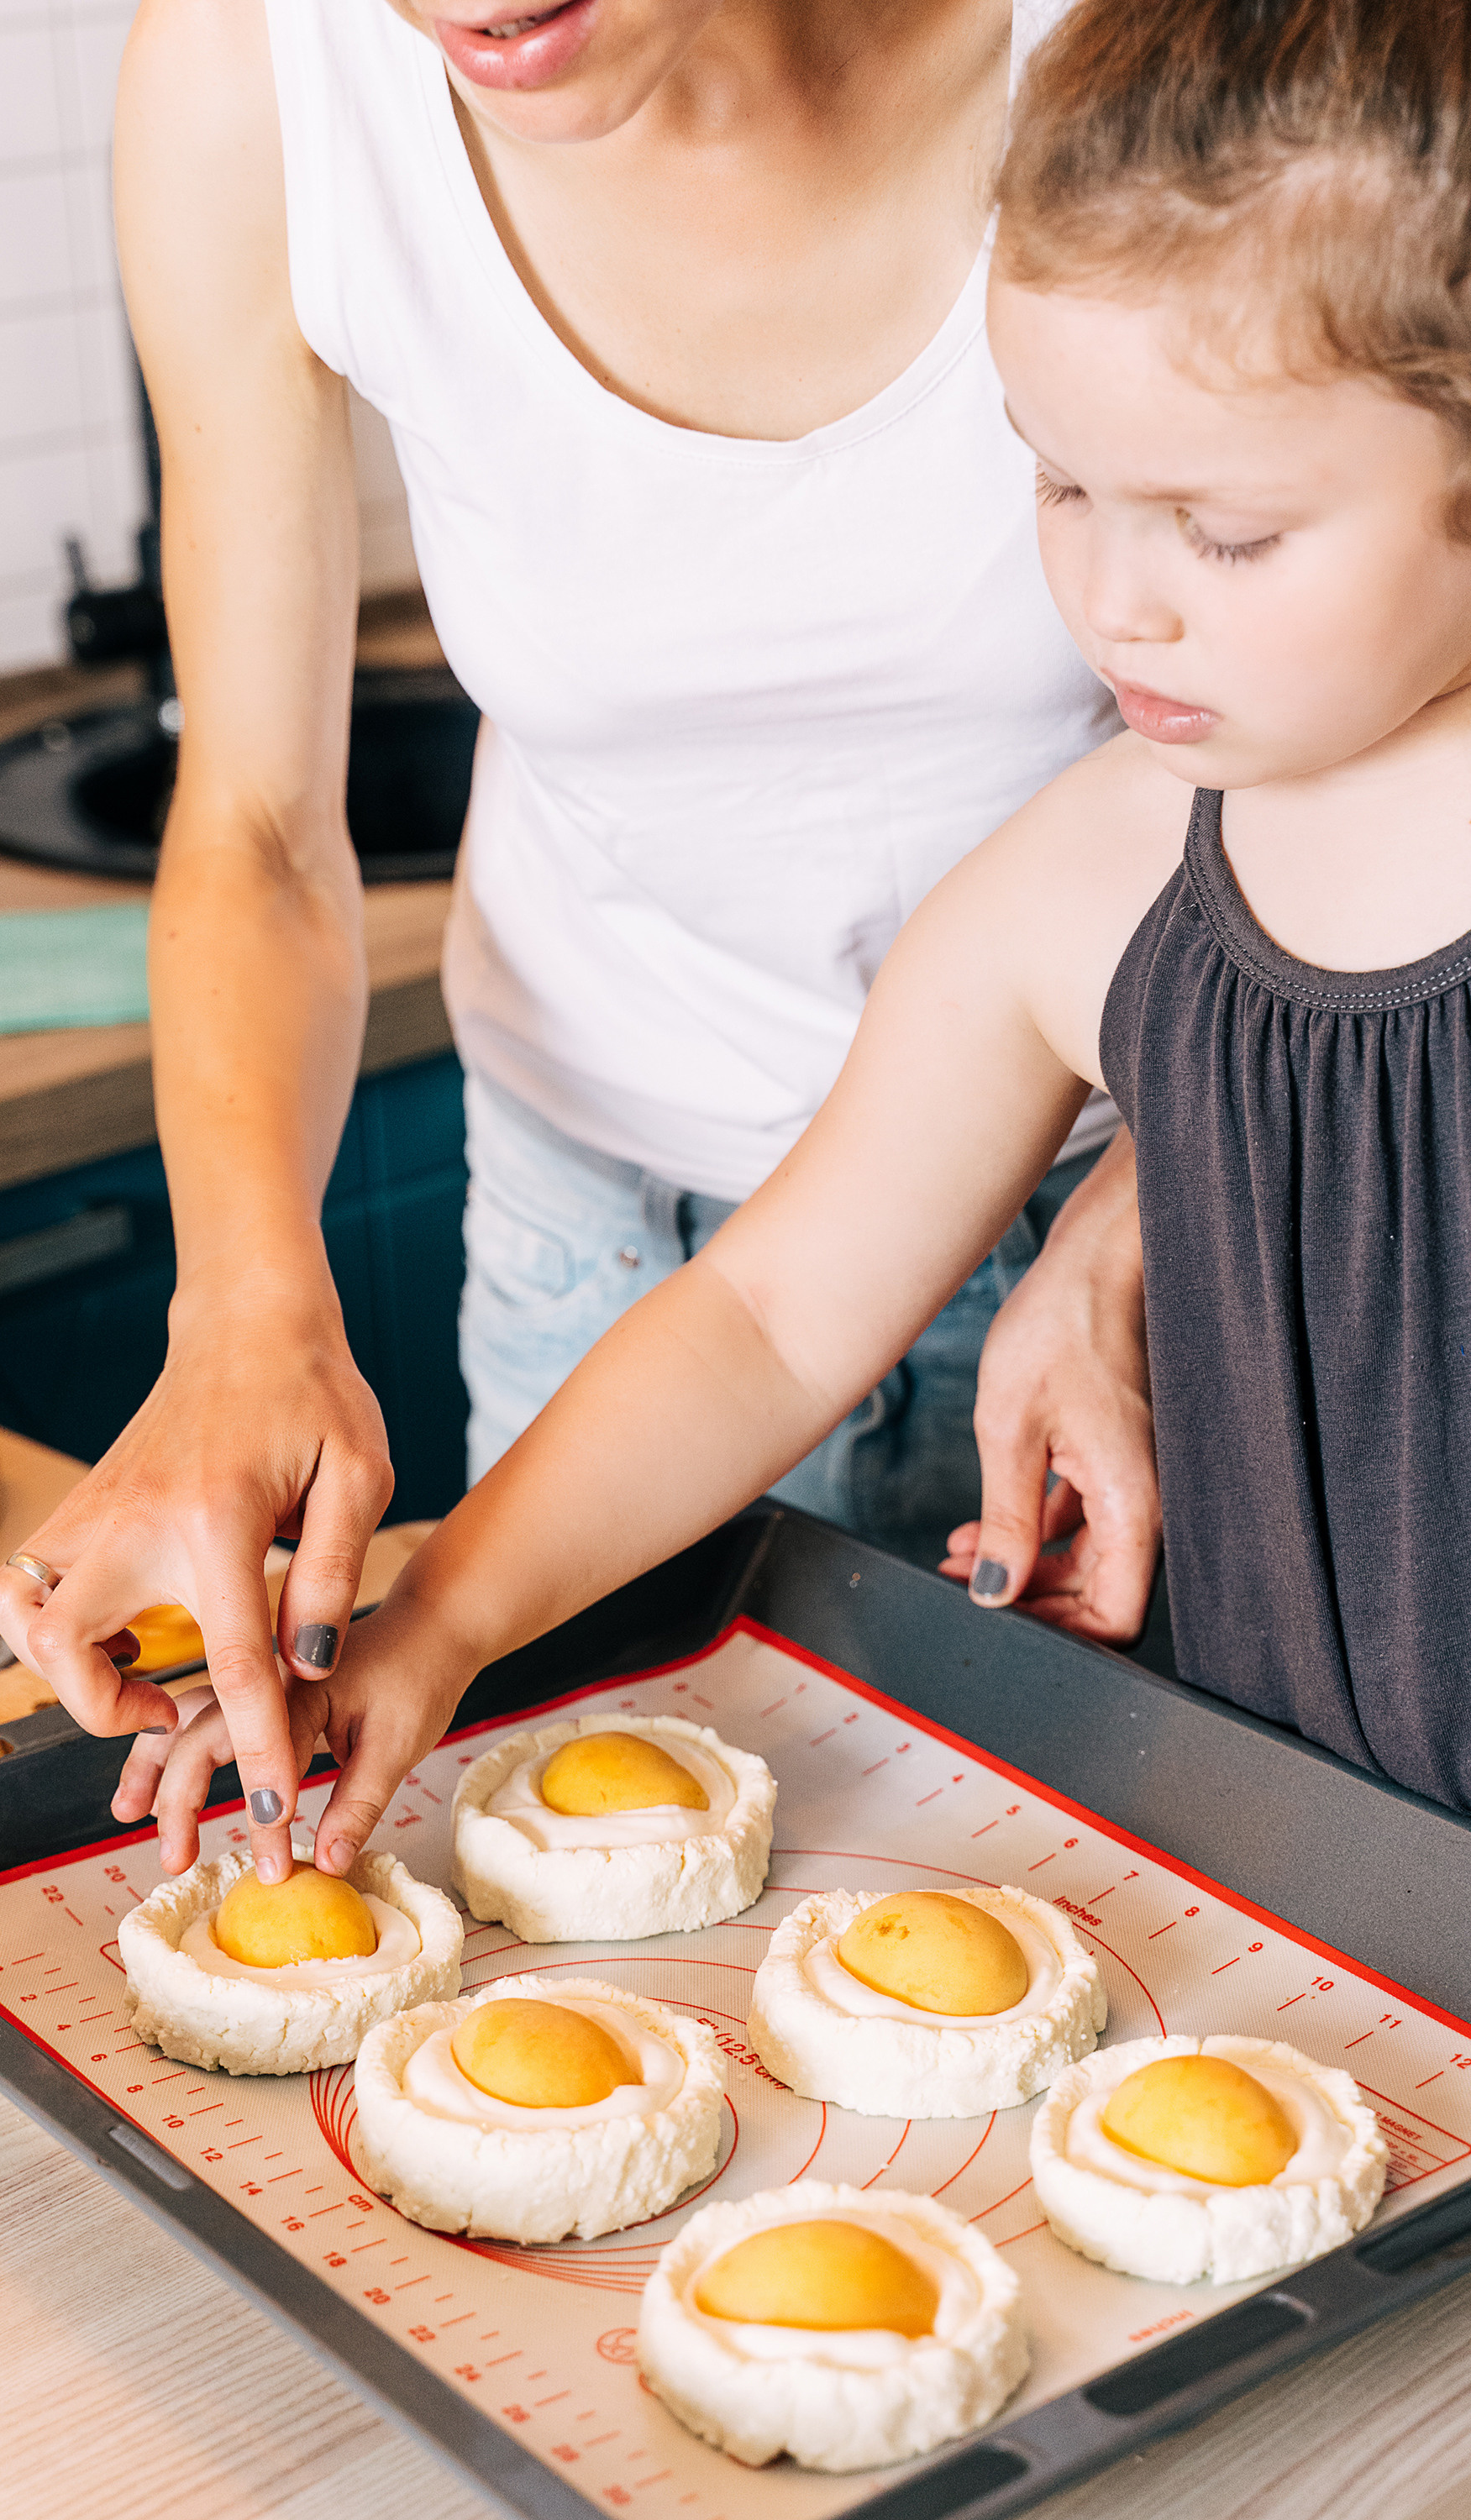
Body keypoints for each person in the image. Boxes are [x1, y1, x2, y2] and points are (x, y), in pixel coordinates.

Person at [108, 0, 1471, 1870]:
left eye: (1217, 533)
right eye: (1052, 486)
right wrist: (434, 1625)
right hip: (1324, 1877)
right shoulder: (1090, 884)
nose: (1112, 604)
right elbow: (760, 1310)